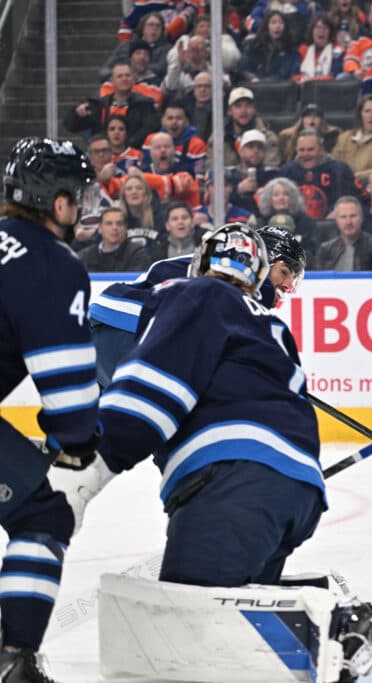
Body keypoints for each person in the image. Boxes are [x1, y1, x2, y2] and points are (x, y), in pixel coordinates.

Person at [92, 222, 326, 606]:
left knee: (178, 424)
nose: (285, 287)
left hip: (116, 336)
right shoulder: (219, 290)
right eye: (285, 272)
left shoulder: (227, 299)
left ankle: (199, 493)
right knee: (170, 415)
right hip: (121, 330)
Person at [0, 137, 101, 681]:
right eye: (78, 194)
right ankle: (15, 661)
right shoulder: (50, 263)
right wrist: (76, 444)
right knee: (42, 516)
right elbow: (68, 394)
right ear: (57, 203)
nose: (84, 205)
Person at [63, 62, 161, 150]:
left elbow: (150, 129)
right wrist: (76, 114)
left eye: (128, 75)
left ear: (134, 79)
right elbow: (70, 126)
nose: (124, 79)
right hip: (102, 154)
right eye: (120, 76)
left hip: (134, 154)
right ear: (112, 80)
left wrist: (125, 145)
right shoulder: (99, 105)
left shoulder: (145, 104)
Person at [279, 129, 360, 220]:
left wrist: (340, 211)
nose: (306, 154)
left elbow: (356, 200)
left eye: (310, 150)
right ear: (296, 150)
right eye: (302, 150)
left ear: (321, 150)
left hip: (333, 225)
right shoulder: (287, 171)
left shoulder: (339, 169)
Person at [210, 86, 283, 168]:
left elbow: (271, 169)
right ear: (229, 111)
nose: (243, 110)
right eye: (238, 106)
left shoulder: (268, 138)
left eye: (248, 106)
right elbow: (211, 170)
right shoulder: (218, 139)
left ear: (254, 109)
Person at [78, 206, 153, 273]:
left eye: (119, 224)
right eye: (109, 223)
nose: (114, 228)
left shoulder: (137, 254)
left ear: (125, 228)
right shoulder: (84, 256)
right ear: (100, 228)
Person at [314, 196, 372, 271]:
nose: (348, 222)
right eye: (343, 217)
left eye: (353, 216)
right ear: (336, 220)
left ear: (361, 218)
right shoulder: (326, 249)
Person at [239, 9, 301, 82]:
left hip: (282, 89)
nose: (277, 26)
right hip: (256, 87)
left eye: (281, 23)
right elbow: (244, 69)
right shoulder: (254, 45)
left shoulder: (291, 49)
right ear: (266, 26)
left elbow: (291, 74)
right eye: (273, 22)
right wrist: (252, 78)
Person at [279, 103, 344, 163]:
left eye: (316, 116)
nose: (312, 119)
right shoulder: (287, 136)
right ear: (302, 120)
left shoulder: (333, 136)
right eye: (308, 116)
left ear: (322, 121)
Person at [295, 14, 345, 82]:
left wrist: (311, 81)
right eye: (318, 27)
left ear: (330, 32)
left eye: (325, 28)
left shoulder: (337, 51)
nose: (321, 30)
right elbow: (294, 75)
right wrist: (301, 79)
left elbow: (335, 76)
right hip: (304, 88)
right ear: (312, 31)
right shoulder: (303, 50)